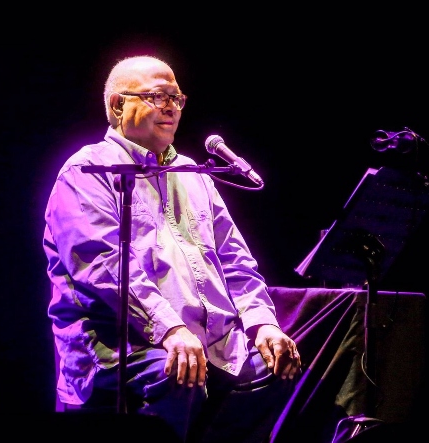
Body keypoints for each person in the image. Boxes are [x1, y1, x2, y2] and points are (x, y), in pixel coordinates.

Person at [43, 55, 302, 443]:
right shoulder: (86, 172)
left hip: (206, 343)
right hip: (124, 346)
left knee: (279, 367)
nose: (171, 107)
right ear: (118, 105)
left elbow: (235, 260)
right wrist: (172, 329)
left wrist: (263, 323)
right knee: (179, 375)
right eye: (158, 96)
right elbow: (104, 268)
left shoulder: (193, 174)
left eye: (177, 98)